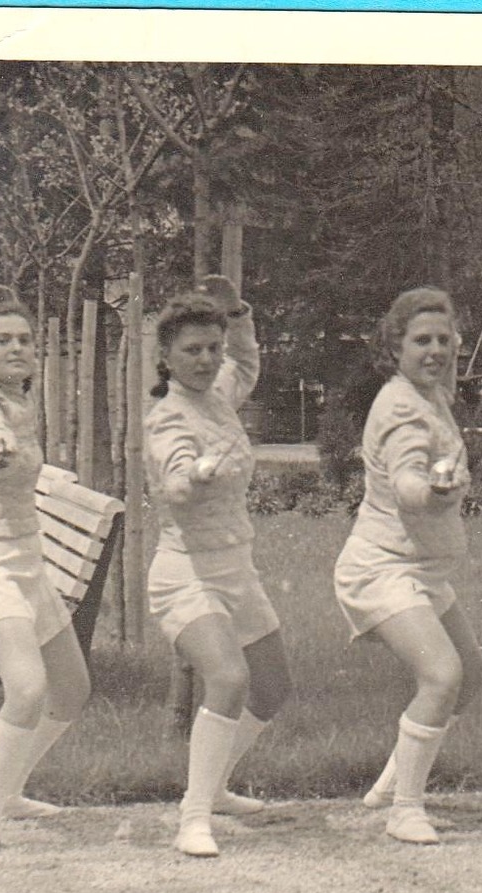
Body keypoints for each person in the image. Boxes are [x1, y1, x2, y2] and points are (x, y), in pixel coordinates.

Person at [145, 277, 293, 858]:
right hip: (186, 572)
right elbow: (174, 477)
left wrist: (238, 314)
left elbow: (246, 362)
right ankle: (194, 816)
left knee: (274, 687)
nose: (207, 360)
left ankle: (215, 785)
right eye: (192, 351)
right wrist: (192, 476)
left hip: (236, 568)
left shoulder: (220, 394)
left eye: (212, 347)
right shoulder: (167, 417)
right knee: (229, 679)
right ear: (166, 358)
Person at [333, 287, 482, 846]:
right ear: (395, 346)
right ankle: (405, 810)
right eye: (422, 340)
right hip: (381, 568)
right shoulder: (401, 407)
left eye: (445, 339)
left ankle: (387, 791)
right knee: (442, 676)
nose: (436, 350)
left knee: (468, 677)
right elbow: (406, 485)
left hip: (421, 570)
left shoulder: (430, 396)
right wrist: (434, 494)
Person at [0, 287, 89, 856]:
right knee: (28, 688)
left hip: (27, 565)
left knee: (72, 691)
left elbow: (20, 460)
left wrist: (50, 477)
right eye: (1, 340)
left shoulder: (20, 404)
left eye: (25, 340)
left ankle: (9, 790)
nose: (16, 348)